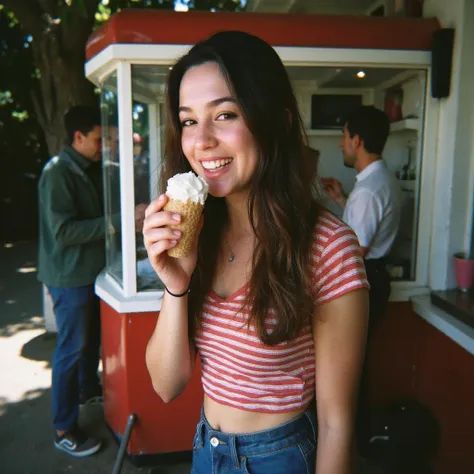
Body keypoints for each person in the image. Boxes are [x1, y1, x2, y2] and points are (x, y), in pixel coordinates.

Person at [143, 31, 369, 474]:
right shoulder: (199, 233)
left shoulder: (327, 247)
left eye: (225, 114)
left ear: (277, 121)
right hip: (206, 450)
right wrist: (176, 286)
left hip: (280, 458)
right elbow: (167, 385)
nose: (201, 141)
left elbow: (337, 422)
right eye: (188, 120)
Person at [37, 106, 145, 457]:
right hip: (70, 277)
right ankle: (64, 428)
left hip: (90, 273)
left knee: (89, 342)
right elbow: (64, 232)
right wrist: (121, 221)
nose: (106, 146)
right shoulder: (57, 174)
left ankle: (87, 391)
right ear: (78, 137)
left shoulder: (88, 167)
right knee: (71, 349)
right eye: (101, 140)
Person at [321, 105, 401, 454]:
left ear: (357, 139)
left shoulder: (369, 191)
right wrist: (341, 199)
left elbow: (356, 251)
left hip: (365, 279)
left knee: (350, 366)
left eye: (344, 138)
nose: (341, 145)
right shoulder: (376, 182)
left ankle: (350, 445)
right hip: (374, 275)